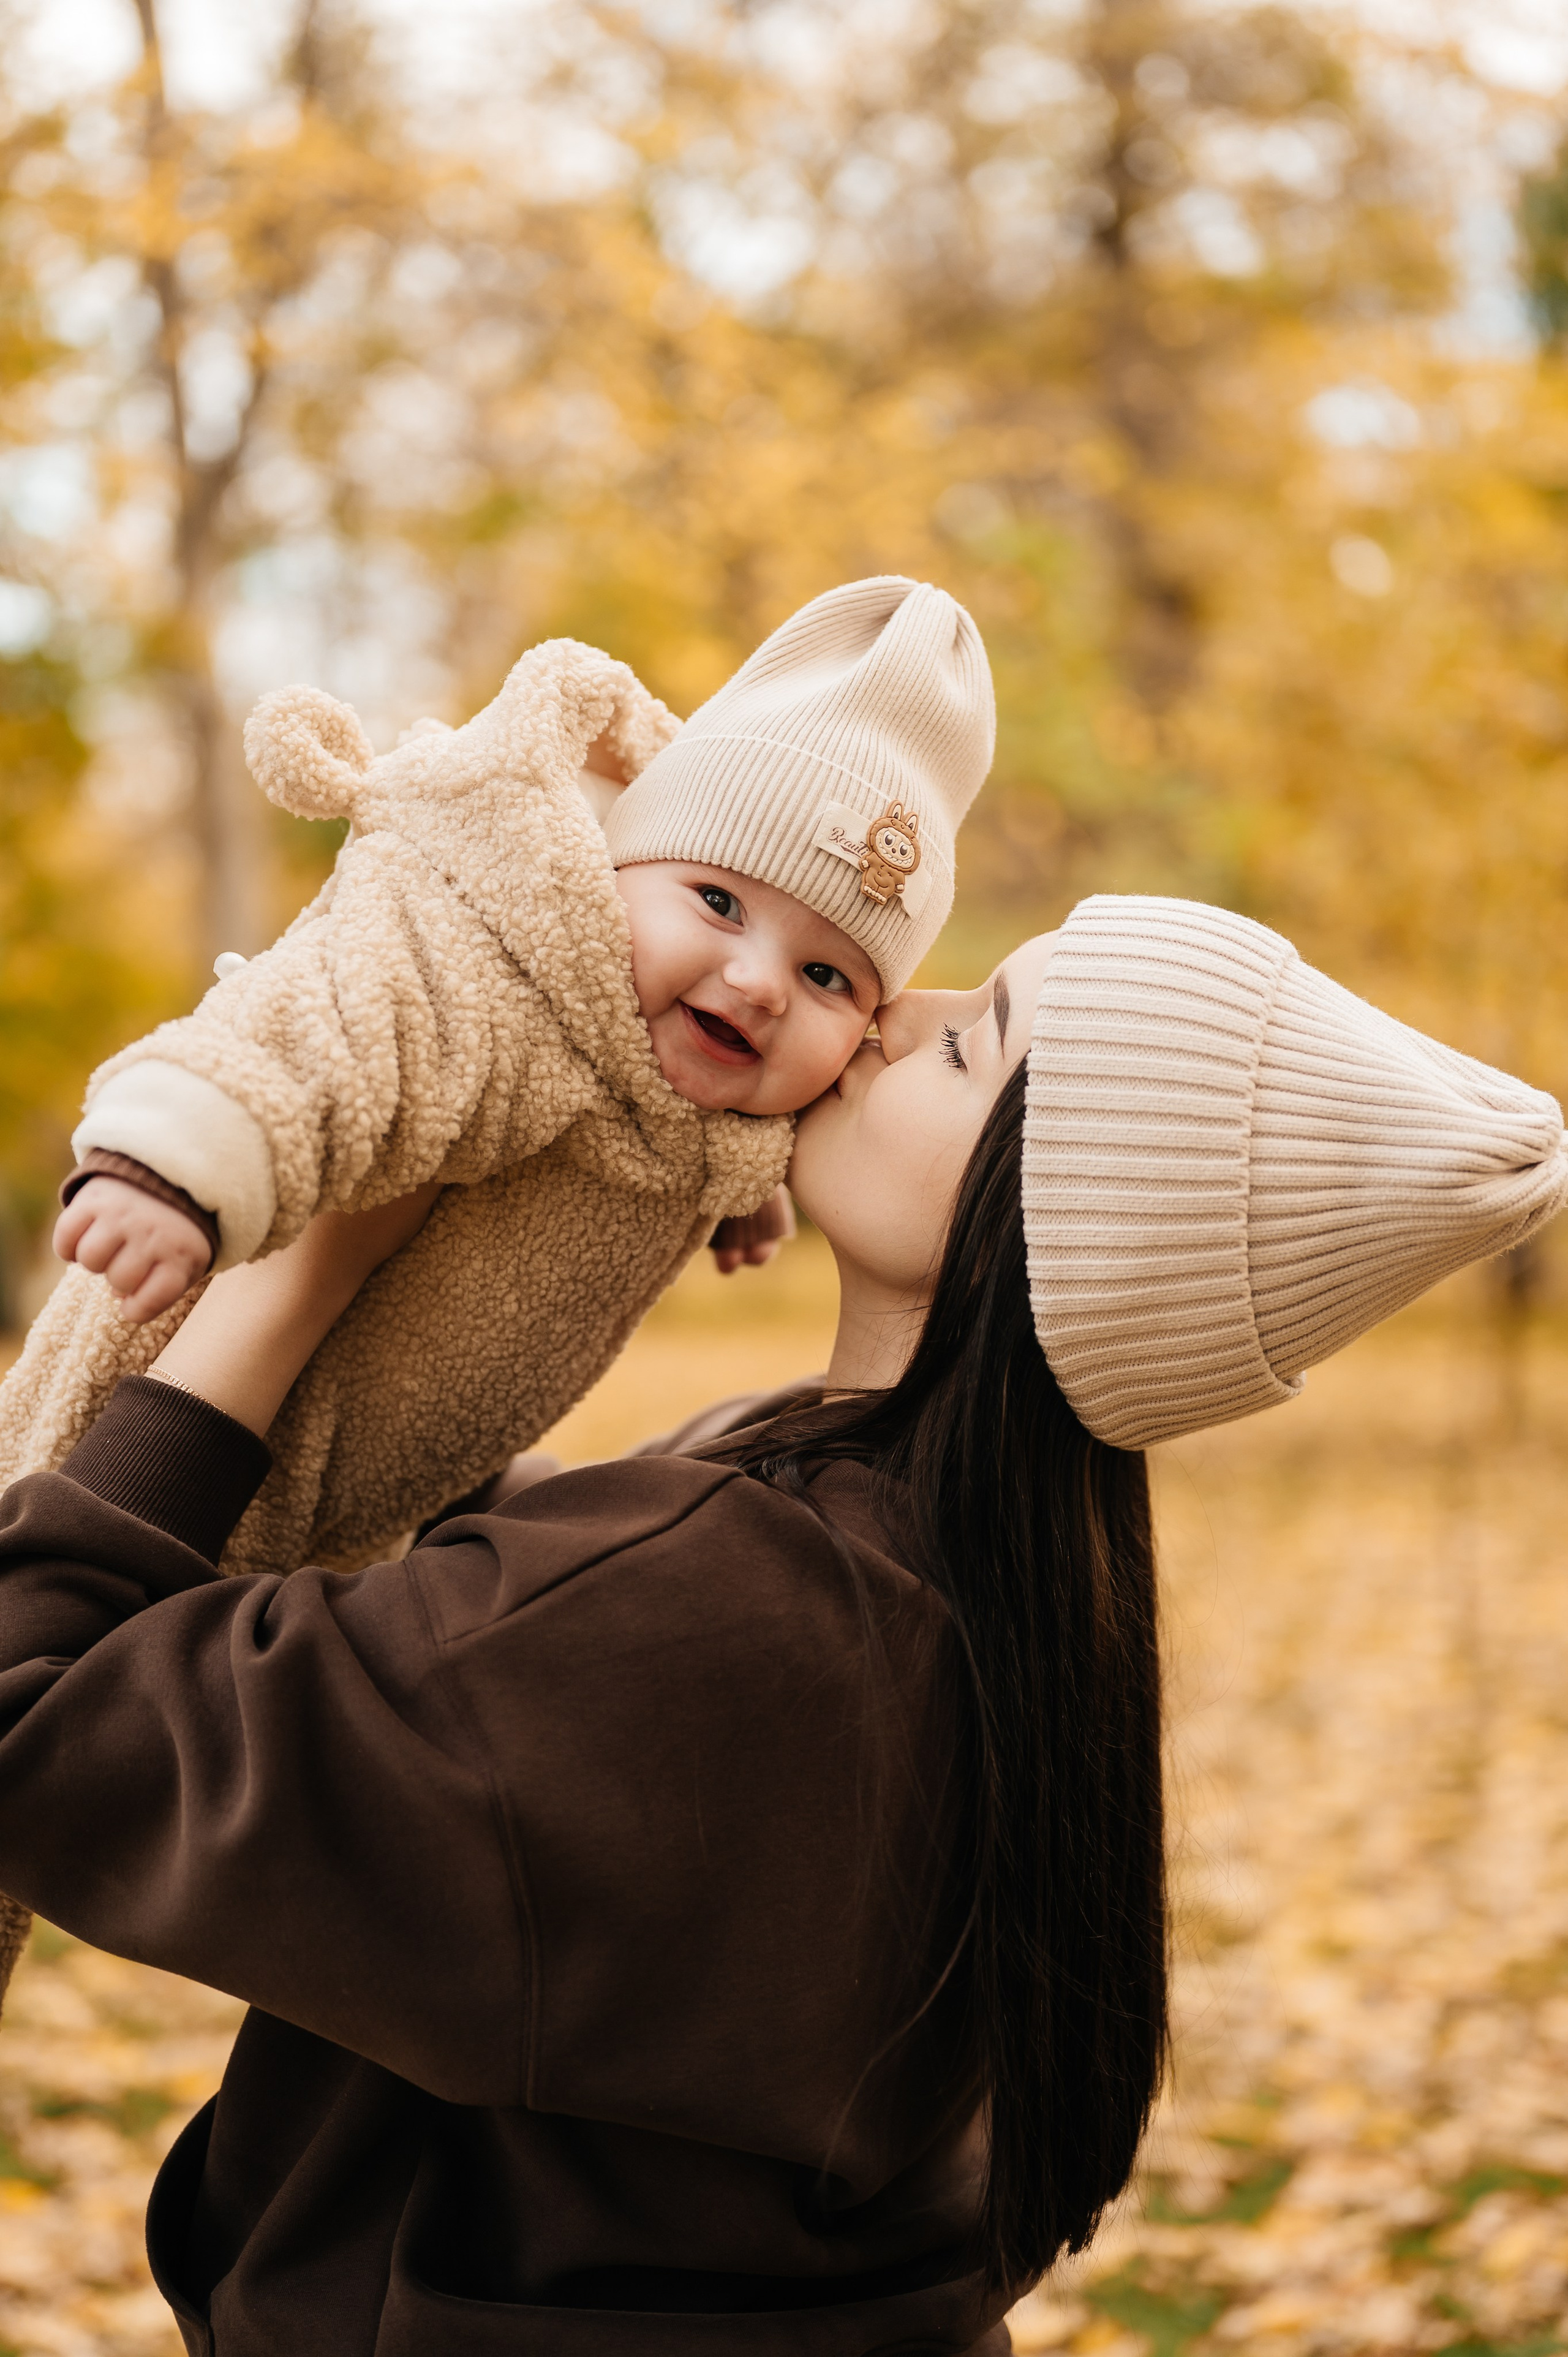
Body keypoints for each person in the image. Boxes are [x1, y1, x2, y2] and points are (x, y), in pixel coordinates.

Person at [0, 895, 1559, 2357]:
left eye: (967, 1041)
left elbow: (36, 1713)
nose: (890, 1011)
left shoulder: (726, 1608)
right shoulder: (993, 1590)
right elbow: (494, 1598)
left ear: (1048, 1230)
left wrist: (309, 1267)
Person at [0, 573, 995, 1588]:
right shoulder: (502, 986)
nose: (760, 984)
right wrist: (177, 1166)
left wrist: (742, 1183)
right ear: (615, 874)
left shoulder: (684, 1085)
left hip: (336, 1520)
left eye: (826, 977)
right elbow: (327, 1028)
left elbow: (677, 1121)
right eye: (718, 904)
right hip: (147, 1426)